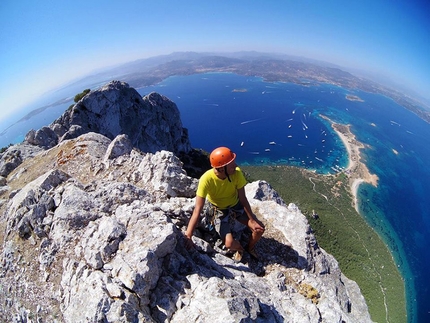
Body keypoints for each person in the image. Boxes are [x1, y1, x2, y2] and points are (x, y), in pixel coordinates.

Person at [185, 146, 265, 262]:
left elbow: (243, 199)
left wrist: (252, 219)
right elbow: (198, 209)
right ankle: (240, 249)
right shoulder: (206, 179)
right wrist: (188, 235)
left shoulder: (236, 174)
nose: (236, 166)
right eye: (232, 165)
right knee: (229, 243)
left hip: (236, 205)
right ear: (222, 169)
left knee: (259, 229)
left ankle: (250, 247)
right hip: (218, 210)